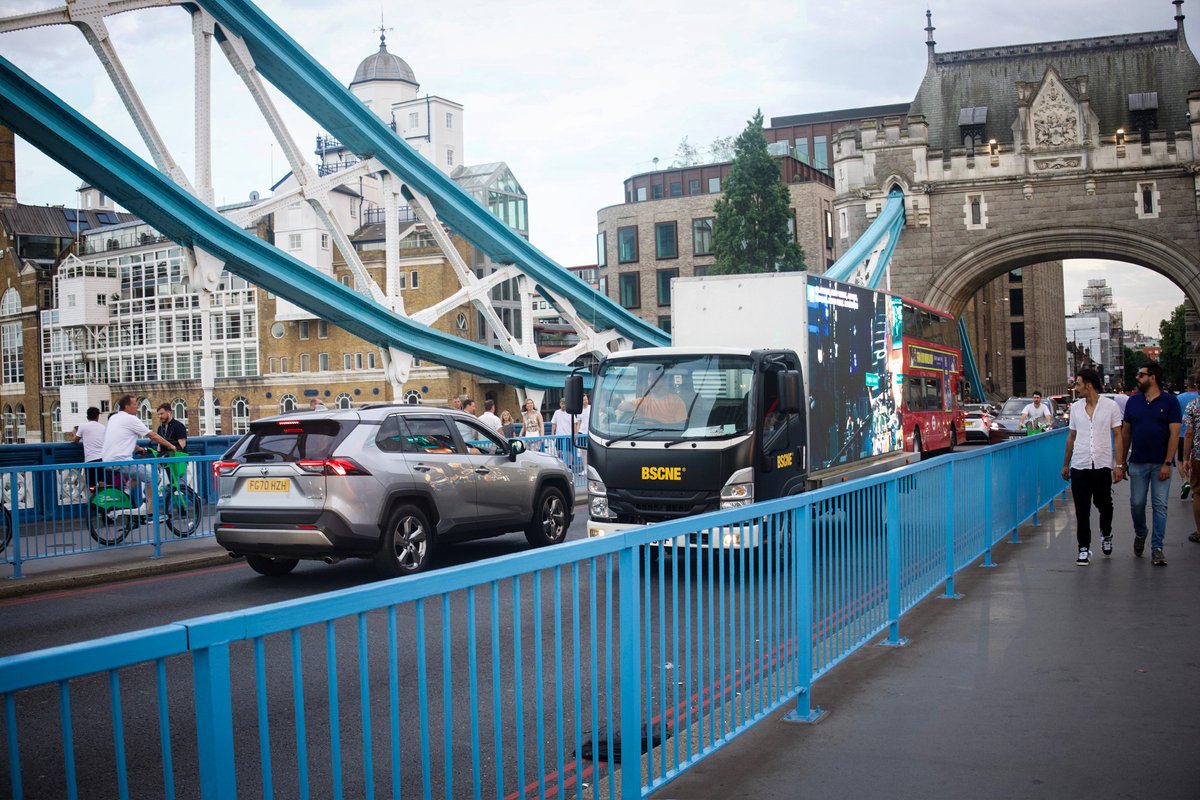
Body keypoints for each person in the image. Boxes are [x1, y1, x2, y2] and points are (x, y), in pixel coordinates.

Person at [1116, 361, 1180, 566]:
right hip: (1138, 462)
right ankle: (1141, 532)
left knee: (1160, 506)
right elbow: (1126, 433)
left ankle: (1157, 548)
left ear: (1152, 378)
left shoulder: (1170, 402)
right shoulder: (1133, 402)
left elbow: (1175, 433)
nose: (1137, 378)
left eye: (1141, 375)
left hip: (1161, 463)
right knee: (1137, 504)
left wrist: (1167, 462)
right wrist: (1121, 463)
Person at [1060, 369, 1124, 565]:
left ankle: (1106, 533)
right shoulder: (1076, 408)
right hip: (1080, 464)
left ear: (1089, 385)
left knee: (1104, 505)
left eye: (1078, 384)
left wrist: (1119, 464)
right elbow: (1071, 436)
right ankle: (1083, 548)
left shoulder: (1111, 407)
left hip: (1102, 464)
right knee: (1082, 509)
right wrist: (1066, 464)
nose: (1076, 388)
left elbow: (1118, 435)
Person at [101, 395, 178, 519]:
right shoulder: (131, 419)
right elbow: (152, 435)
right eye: (134, 404)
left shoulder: (114, 418)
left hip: (107, 460)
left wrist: (139, 449)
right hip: (121, 461)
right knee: (154, 477)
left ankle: (125, 495)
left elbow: (122, 439)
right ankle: (150, 512)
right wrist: (171, 446)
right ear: (127, 406)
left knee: (136, 475)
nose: (137, 407)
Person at [1180, 392, 1200, 545]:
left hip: (1198, 456)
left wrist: (1185, 457)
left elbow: (1189, 433)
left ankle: (1199, 531)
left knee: (1198, 492)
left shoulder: (1193, 405)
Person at [1175, 373, 1198, 499]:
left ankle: (1185, 481)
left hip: (1183, 434)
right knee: (1195, 460)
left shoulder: (1179, 398)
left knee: (1181, 460)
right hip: (1197, 436)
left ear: (1187, 384)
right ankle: (1195, 487)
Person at [74, 406, 106, 490]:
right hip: (102, 458)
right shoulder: (103, 427)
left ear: (87, 417)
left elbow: (75, 440)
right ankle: (103, 496)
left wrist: (74, 433)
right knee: (102, 481)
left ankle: (93, 497)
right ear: (97, 417)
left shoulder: (82, 426)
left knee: (91, 484)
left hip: (90, 459)